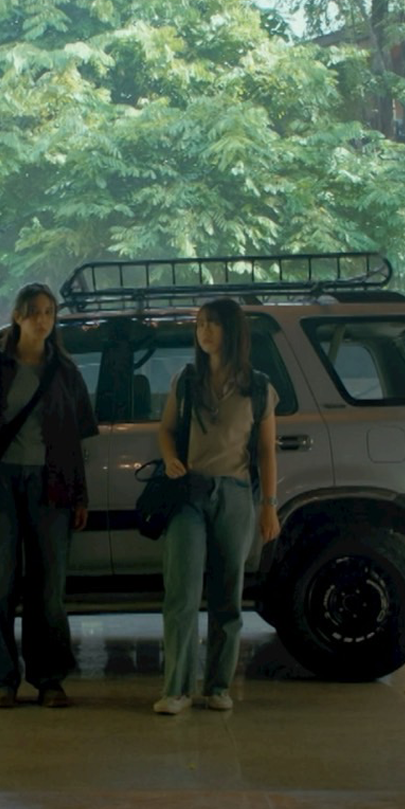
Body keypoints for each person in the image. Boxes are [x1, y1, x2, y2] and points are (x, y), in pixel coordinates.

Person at [0, 283, 98, 709]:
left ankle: (49, 679)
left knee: (49, 588)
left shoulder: (65, 372)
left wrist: (80, 496)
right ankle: (0, 680)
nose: (43, 319)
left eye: (49, 312)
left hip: (52, 484)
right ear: (18, 316)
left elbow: (76, 440)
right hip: (1, 482)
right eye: (35, 311)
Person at [154, 299, 280, 714]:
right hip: (189, 493)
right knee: (182, 593)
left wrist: (269, 505)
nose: (204, 332)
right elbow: (166, 429)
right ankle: (176, 690)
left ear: (233, 331)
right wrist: (170, 458)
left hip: (235, 493)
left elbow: (267, 451)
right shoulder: (186, 380)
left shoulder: (258, 387)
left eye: (213, 324)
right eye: (200, 325)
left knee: (228, 593)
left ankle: (218, 687)